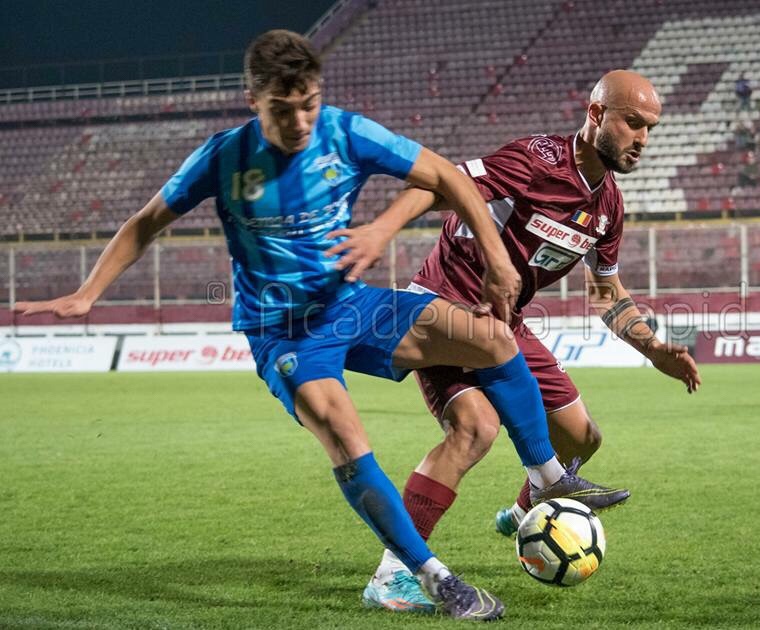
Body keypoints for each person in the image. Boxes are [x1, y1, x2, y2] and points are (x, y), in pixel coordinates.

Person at [12, 30, 622, 621]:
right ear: (253, 101)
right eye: (283, 110)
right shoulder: (224, 158)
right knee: (345, 434)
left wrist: (472, 253)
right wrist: (88, 293)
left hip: (349, 306)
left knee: (492, 337)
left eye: (309, 103)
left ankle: (546, 477)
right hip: (282, 333)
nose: (301, 121)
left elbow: (446, 177)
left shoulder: (345, 133)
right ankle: (425, 578)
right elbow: (146, 222)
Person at [328, 70, 701, 612]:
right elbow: (441, 184)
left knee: (581, 438)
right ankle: (393, 574)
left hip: (507, 323)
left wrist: (652, 348)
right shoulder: (536, 160)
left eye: (650, 128)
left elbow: (606, 293)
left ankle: (528, 509)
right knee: (474, 429)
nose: (642, 138)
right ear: (596, 114)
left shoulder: (609, 206)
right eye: (633, 123)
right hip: (445, 305)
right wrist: (382, 229)